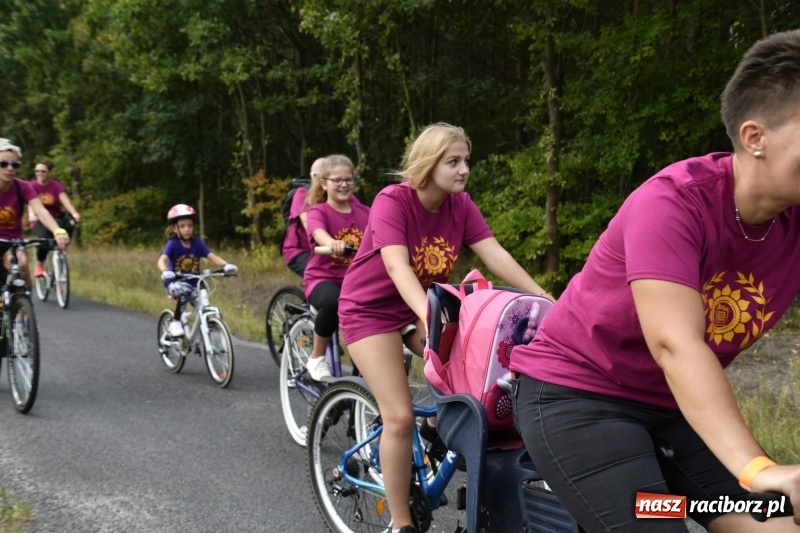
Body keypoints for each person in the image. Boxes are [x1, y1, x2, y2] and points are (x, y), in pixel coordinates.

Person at [510, 29, 800, 532]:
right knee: (656, 519)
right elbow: (675, 345)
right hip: (579, 396)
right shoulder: (673, 202)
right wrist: (758, 469)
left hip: (675, 408)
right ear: (756, 138)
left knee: (776, 524)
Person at [337, 123, 549, 533]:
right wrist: (429, 319)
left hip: (424, 309)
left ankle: (436, 426)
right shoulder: (393, 200)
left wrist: (546, 298)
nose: (464, 169)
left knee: (477, 372)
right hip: (370, 311)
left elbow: (495, 256)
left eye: (466, 160)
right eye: (453, 161)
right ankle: (402, 524)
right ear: (429, 163)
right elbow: (397, 266)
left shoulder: (461, 205)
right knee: (399, 417)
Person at [301, 155, 370, 380]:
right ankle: (317, 357)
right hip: (323, 279)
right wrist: (332, 243)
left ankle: (365, 375)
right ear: (324, 183)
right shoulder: (318, 211)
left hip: (356, 282)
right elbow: (317, 232)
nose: (344, 185)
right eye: (337, 180)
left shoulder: (364, 212)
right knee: (333, 299)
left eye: (348, 179)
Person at [157, 204, 238, 338]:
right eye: (182, 226)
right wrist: (165, 271)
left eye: (190, 225)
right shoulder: (173, 244)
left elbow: (213, 257)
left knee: (203, 304)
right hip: (174, 283)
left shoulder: (197, 243)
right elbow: (162, 260)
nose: (187, 229)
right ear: (175, 229)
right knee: (183, 290)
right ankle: (175, 322)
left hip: (194, 284)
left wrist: (226, 265)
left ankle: (204, 336)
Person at [0, 139, 70, 285]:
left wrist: (58, 232)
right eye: (3, 164)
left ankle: (22, 299)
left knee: (22, 267)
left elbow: (41, 211)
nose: (10, 168)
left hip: (13, 241)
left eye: (15, 165)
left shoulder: (22, 187)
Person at [28, 160, 81, 277]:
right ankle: (40, 264)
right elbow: (31, 202)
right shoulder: (32, 186)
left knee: (70, 224)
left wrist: (74, 213)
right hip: (38, 219)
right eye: (37, 171)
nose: (39, 173)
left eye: (43, 171)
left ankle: (61, 253)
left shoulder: (56, 186)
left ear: (49, 173)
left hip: (55, 219)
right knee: (44, 239)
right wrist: (31, 214)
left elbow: (65, 201)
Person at [281, 157, 325, 277]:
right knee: (320, 276)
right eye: (316, 175)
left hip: (324, 251)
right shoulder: (302, 194)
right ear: (312, 176)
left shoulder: (334, 197)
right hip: (299, 251)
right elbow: (308, 224)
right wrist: (331, 243)